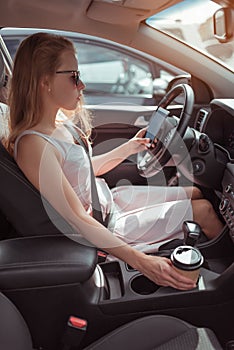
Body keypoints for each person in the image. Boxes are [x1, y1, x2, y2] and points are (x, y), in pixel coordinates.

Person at [5, 32, 223, 290]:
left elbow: (83, 172)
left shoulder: (56, 123)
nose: (82, 85)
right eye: (74, 76)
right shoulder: (34, 145)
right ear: (45, 81)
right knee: (205, 212)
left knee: (197, 192)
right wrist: (143, 263)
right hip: (107, 225)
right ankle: (224, 281)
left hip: (111, 199)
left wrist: (128, 148)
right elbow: (76, 218)